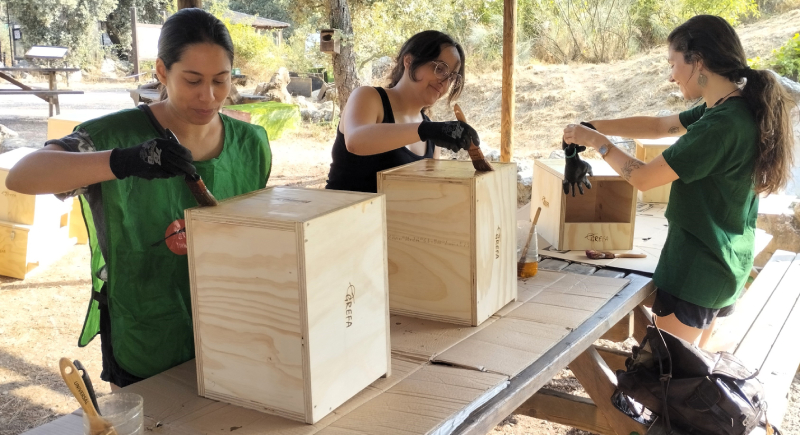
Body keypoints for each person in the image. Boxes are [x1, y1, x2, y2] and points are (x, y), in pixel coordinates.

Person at [5, 8, 272, 387]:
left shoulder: (251, 144)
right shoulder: (113, 135)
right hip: (145, 332)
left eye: (220, 80)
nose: (208, 96)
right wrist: (124, 161)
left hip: (232, 330)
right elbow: (24, 175)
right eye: (192, 80)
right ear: (162, 71)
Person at [561, 15, 795, 348]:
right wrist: (592, 126)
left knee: (663, 374)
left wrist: (598, 143)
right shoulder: (731, 107)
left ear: (697, 62)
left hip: (697, 271)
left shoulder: (718, 127)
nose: (671, 75)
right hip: (724, 262)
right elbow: (659, 126)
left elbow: (642, 177)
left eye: (673, 64)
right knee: (690, 369)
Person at [326, 30, 480, 193]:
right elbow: (355, 141)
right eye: (440, 68)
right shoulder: (368, 97)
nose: (444, 82)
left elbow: (426, 195)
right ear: (409, 61)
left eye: (452, 77)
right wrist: (427, 130)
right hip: (343, 209)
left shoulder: (432, 139)